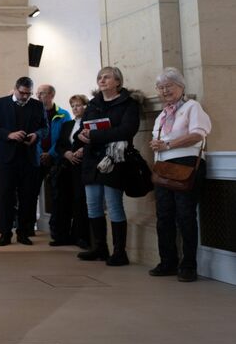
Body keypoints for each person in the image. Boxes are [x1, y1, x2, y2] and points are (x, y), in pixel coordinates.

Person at [149, 67, 211, 282]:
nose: (165, 90)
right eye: (161, 87)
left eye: (169, 86)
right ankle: (167, 262)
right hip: (164, 167)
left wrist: (166, 144)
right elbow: (161, 142)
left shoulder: (192, 107)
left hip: (186, 165)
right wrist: (156, 145)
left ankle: (189, 265)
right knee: (164, 217)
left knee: (185, 216)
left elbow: (197, 134)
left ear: (181, 87)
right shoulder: (161, 115)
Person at [76, 66, 141, 266]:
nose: (102, 80)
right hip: (92, 159)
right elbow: (82, 127)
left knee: (113, 205)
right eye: (99, 77)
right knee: (93, 204)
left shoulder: (128, 103)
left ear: (118, 82)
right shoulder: (93, 104)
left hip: (114, 159)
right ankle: (100, 248)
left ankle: (120, 252)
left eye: (106, 77)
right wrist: (81, 136)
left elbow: (127, 130)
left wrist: (94, 136)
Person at [0, 77, 46, 246]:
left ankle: (23, 232)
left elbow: (45, 128)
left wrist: (37, 135)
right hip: (7, 157)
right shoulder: (1, 103)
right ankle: (5, 234)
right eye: (22, 93)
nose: (25, 97)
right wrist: (9, 134)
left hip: (29, 156)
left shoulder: (37, 105)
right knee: (6, 196)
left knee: (27, 196)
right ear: (15, 89)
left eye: (28, 94)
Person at [52, 94, 90, 248]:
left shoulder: (89, 123)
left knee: (80, 201)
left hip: (82, 165)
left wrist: (81, 151)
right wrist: (66, 153)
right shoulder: (67, 124)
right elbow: (60, 144)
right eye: (73, 106)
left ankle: (81, 237)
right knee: (63, 200)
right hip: (66, 166)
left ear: (86, 106)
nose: (75, 108)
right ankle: (62, 236)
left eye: (78, 105)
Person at [36, 84, 71, 243]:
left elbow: (64, 138)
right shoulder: (34, 114)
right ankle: (28, 227)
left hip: (56, 159)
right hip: (37, 158)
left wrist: (50, 153)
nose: (38, 96)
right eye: (37, 93)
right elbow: (33, 136)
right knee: (30, 193)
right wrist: (40, 154)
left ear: (51, 95)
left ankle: (57, 232)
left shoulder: (63, 114)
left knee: (58, 196)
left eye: (41, 93)